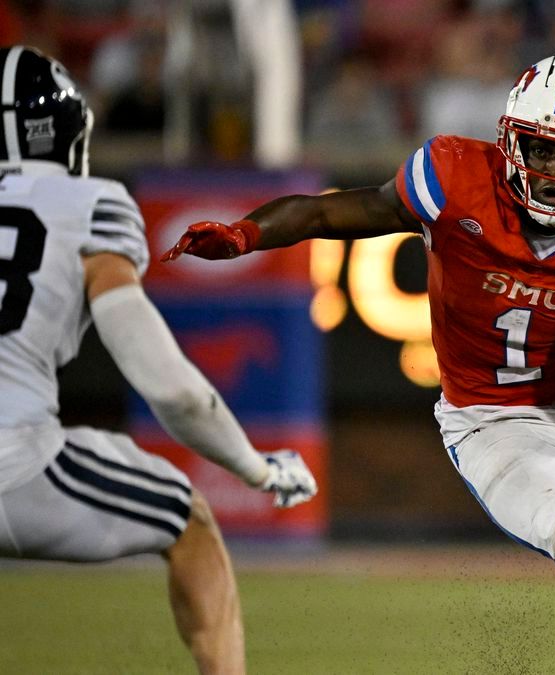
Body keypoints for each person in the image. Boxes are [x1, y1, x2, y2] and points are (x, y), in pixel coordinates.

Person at [163, 52, 555, 675]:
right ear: (509, 139)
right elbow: (326, 211)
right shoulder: (453, 177)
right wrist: (248, 233)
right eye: (541, 148)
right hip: (490, 418)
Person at [0, 46, 318, 674]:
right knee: (188, 518)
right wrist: (255, 470)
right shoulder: (88, 205)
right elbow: (173, 391)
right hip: (16, 463)